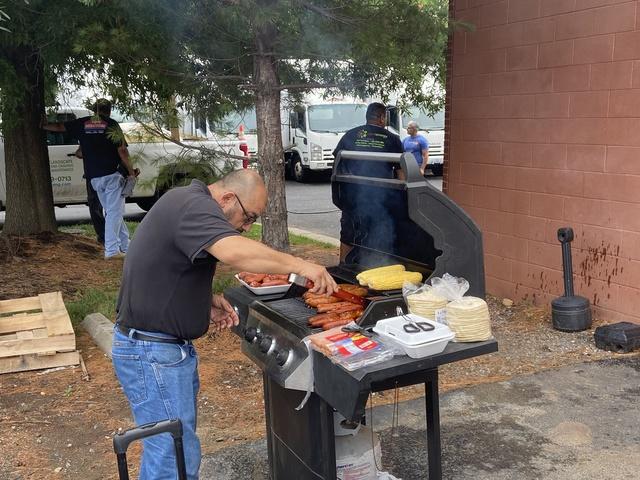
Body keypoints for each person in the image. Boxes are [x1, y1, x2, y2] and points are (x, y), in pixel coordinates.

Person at [113, 168, 338, 479]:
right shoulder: (193, 206)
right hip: (152, 353)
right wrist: (301, 265)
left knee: (177, 451)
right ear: (228, 198)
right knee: (172, 457)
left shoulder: (189, 203)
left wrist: (203, 301)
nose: (246, 227)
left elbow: (164, 268)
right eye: (248, 217)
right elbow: (234, 253)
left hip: (159, 351)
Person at [43, 99, 136, 258]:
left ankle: (126, 246)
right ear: (109, 110)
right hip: (112, 175)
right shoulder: (111, 124)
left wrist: (42, 125)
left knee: (114, 211)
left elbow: (60, 127)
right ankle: (112, 251)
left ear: (94, 111)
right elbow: (122, 151)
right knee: (114, 212)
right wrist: (131, 171)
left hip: (94, 178)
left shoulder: (82, 123)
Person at [332, 102, 403, 261]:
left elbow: (338, 164)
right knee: (380, 233)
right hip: (382, 200)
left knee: (348, 235)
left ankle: (343, 268)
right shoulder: (392, 139)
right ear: (382, 117)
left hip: (352, 198)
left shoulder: (350, 135)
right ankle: (376, 264)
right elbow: (401, 174)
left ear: (367, 116)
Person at [74, 147, 106, 245]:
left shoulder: (110, 134)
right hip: (93, 176)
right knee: (95, 206)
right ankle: (103, 236)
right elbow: (79, 153)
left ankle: (109, 237)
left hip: (107, 175)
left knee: (110, 209)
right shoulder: (86, 136)